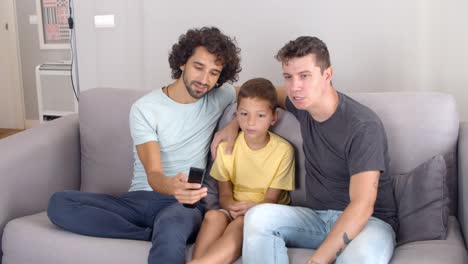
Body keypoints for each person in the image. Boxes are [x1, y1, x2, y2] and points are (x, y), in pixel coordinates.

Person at [46, 26, 241, 264]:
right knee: (60, 203)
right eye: (198, 67)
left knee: (170, 228)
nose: (204, 80)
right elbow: (154, 174)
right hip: (138, 200)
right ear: (182, 63)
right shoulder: (146, 108)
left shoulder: (221, 95)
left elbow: (265, 94)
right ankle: (144, 234)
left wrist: (234, 124)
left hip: (183, 205)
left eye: (214, 73)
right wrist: (170, 185)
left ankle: (155, 230)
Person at [212, 36, 398, 264]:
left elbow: (362, 206)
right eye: (288, 77)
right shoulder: (302, 104)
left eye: (304, 76)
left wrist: (317, 261)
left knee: (361, 258)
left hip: (369, 223)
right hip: (316, 219)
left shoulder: (362, 126)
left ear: (327, 75)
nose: (295, 87)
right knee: (258, 217)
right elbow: (259, 95)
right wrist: (234, 123)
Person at [189, 78, 295, 264]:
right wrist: (231, 206)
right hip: (234, 208)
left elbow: (272, 199)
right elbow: (224, 196)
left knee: (240, 223)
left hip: (265, 210)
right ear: (236, 114)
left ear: (273, 118)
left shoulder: (283, 151)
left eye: (260, 116)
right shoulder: (226, 148)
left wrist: (249, 209)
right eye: (244, 114)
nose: (251, 122)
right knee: (213, 216)